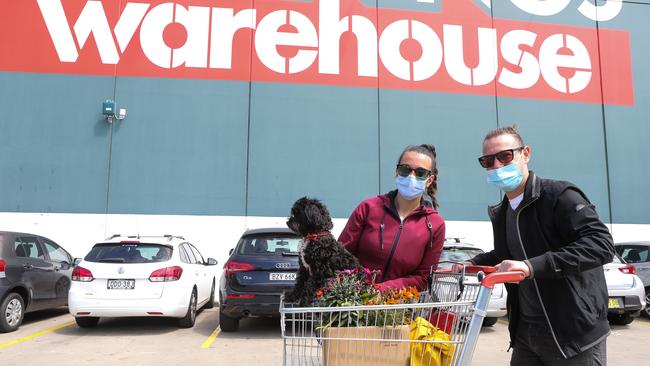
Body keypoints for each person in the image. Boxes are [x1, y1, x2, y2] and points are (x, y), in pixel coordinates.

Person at [466, 125, 614, 365]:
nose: (497, 166)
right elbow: (508, 254)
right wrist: (472, 262)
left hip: (573, 333)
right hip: (527, 331)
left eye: (505, 156)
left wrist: (531, 266)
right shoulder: (504, 211)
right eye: (488, 161)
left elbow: (600, 244)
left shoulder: (559, 195)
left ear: (525, 154)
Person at [338, 144, 445, 290]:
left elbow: (424, 277)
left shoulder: (435, 224)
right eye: (405, 169)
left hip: (399, 308)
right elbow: (340, 256)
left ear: (429, 179)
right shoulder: (368, 208)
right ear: (397, 171)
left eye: (420, 173)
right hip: (355, 303)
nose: (411, 177)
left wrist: (381, 291)